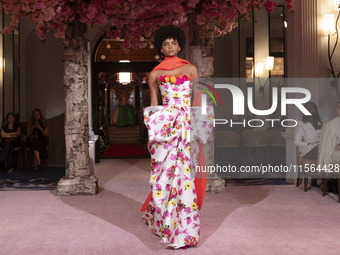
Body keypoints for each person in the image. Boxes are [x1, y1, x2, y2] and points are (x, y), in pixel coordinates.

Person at [140, 25, 215, 249]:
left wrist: (199, 128)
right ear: (160, 47)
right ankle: (163, 220)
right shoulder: (154, 73)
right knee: (162, 174)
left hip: (186, 127)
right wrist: (150, 134)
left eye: (174, 42)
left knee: (185, 175)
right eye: (166, 43)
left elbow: (198, 99)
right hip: (166, 127)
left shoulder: (191, 69)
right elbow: (155, 106)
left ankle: (185, 229)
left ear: (180, 45)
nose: (170, 46)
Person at [294, 102, 323, 188]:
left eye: (310, 108)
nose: (307, 110)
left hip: (320, 148)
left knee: (331, 149)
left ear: (314, 111)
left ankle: (329, 183)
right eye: (305, 108)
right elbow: (296, 142)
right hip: (308, 149)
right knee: (325, 150)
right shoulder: (300, 124)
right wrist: (309, 143)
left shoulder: (321, 123)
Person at [318, 101, 340, 177]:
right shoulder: (330, 125)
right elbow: (327, 146)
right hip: (335, 152)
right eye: (339, 108)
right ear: (337, 110)